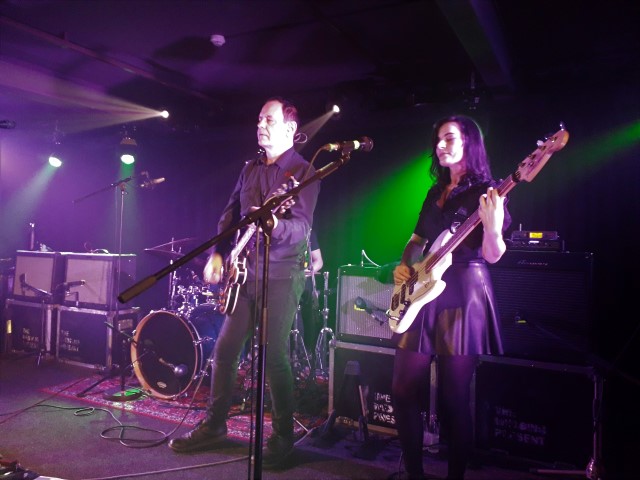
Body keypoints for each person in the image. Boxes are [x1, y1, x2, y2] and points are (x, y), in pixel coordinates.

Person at [169, 97, 320, 470]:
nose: (260, 125)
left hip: (281, 275)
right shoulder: (250, 168)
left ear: (290, 128)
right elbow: (230, 214)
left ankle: (283, 437)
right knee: (224, 351)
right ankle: (214, 426)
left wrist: (275, 225)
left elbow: (301, 229)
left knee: (274, 357)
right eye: (259, 119)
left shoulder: (303, 171)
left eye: (268, 120)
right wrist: (218, 254)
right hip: (244, 274)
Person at [391, 115, 511, 480]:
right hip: (424, 288)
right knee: (401, 389)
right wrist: (405, 264)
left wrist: (493, 229)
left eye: (449, 138)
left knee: (453, 398)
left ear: (469, 142)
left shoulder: (489, 191)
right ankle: (415, 475)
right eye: (438, 140)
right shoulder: (435, 192)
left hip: (464, 290)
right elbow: (416, 240)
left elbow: (493, 255)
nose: (440, 145)